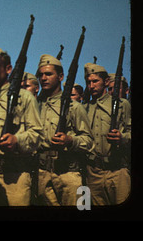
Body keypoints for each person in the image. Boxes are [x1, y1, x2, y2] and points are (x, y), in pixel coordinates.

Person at [0, 45, 43, 206]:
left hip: (15, 175)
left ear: (8, 69)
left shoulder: (25, 97)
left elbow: (37, 135)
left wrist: (17, 140)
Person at [35, 54, 93, 206]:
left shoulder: (74, 107)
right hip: (42, 174)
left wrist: (70, 140)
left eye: (48, 74)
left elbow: (88, 141)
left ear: (60, 77)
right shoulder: (35, 106)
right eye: (40, 75)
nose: (43, 78)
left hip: (69, 175)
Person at [84, 63, 131, 205]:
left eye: (95, 81)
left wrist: (122, 138)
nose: (91, 86)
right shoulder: (84, 108)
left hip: (118, 171)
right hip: (93, 173)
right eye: (88, 82)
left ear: (105, 82)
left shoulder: (122, 104)